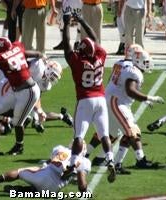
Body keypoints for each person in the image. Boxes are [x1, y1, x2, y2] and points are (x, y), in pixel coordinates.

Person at [85, 45, 163, 174]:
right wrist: (150, 98)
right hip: (117, 102)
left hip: (112, 99)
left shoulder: (122, 65)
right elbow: (130, 90)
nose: (148, 64)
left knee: (111, 133)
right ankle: (140, 160)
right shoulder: (134, 71)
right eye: (146, 61)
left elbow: (114, 82)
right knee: (132, 131)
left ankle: (102, 159)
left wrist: (144, 99)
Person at [0, 55, 62, 156]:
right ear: (48, 68)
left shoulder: (45, 84)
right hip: (7, 89)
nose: (53, 78)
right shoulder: (35, 66)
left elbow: (36, 95)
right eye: (53, 75)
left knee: (0, 120)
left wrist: (38, 111)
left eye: (55, 77)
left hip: (17, 95)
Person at [62, 13, 116, 183]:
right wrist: (82, 20)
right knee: (104, 134)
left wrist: (66, 25)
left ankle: (71, 166)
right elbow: (93, 37)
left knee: (79, 136)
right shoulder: (101, 56)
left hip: (85, 100)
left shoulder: (77, 62)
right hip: (100, 100)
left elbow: (67, 45)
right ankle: (110, 159)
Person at [0, 37, 43, 155]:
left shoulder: (1, 57)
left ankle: (19, 146)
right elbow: (27, 53)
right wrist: (39, 54)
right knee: (0, 110)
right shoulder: (17, 47)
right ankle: (21, 116)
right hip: (19, 90)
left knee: (18, 122)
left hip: (28, 92)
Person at [0, 144, 91, 193]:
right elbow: (81, 185)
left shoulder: (60, 149)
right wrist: (85, 191)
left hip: (44, 175)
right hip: (54, 189)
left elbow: (50, 162)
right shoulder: (85, 161)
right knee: (42, 189)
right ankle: (21, 191)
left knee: (19, 172)